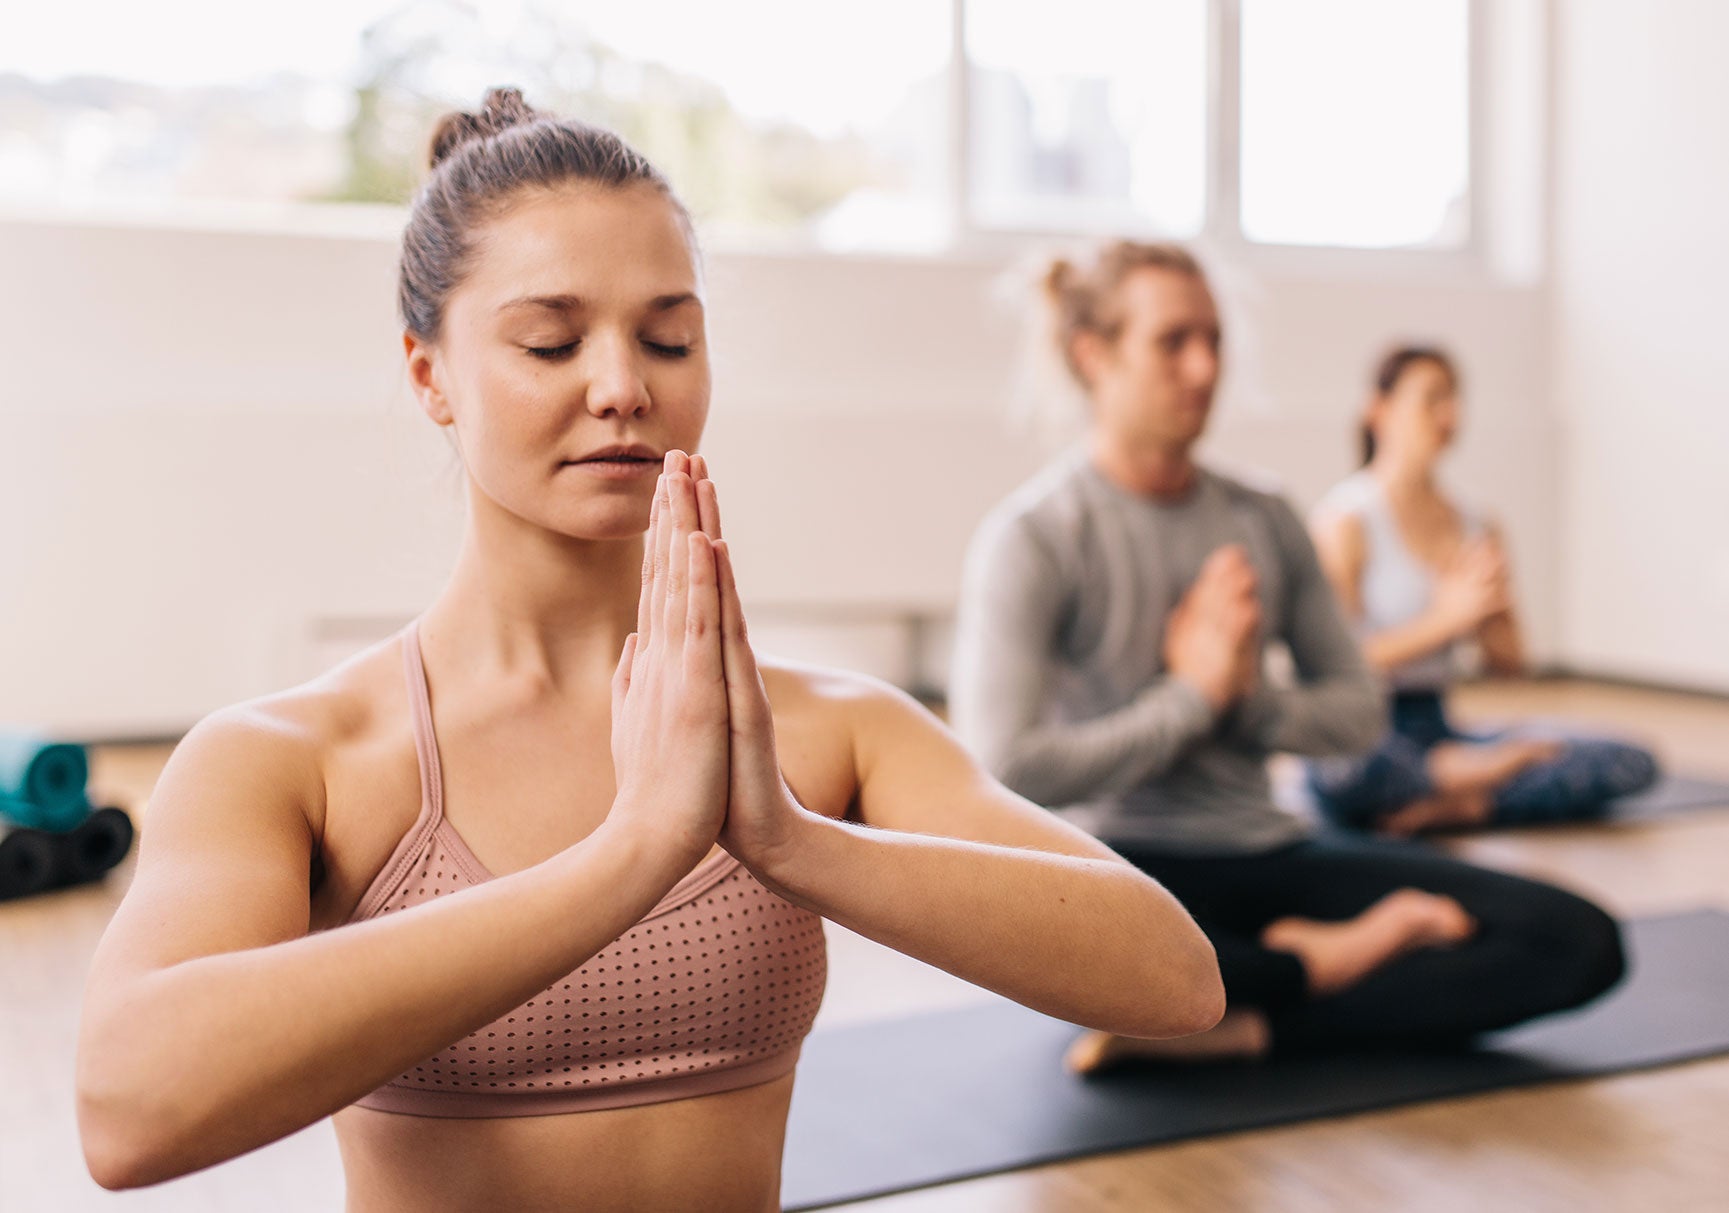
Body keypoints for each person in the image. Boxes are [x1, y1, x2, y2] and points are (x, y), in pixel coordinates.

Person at [74, 92, 1225, 1212]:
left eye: (668, 336)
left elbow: (1173, 979)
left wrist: (786, 838)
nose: (623, 387)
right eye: (551, 340)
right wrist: (629, 855)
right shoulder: (293, 761)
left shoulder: (827, 737)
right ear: (430, 373)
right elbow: (127, 1111)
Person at [950, 240, 1626, 1072]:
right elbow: (1002, 768)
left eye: (1214, 339)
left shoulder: (1262, 515)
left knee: (1576, 941)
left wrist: (1244, 701)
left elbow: (1355, 710)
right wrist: (1190, 698)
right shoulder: (1033, 537)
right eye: (1172, 342)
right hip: (1116, 869)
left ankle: (1264, 1010)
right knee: (1041, 938)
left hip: (1267, 847)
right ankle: (1314, 963)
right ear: (1094, 355)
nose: (1203, 367)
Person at [1304, 345, 1659, 836]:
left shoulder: (1476, 523)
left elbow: (1511, 665)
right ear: (1379, 410)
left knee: (1630, 761)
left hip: (1441, 727)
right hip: (1369, 730)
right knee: (1337, 768)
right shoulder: (1344, 522)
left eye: (1454, 399)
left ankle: (1455, 802)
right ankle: (1453, 779)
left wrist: (1490, 613)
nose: (1450, 415)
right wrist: (1446, 619)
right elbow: (1331, 670)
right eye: (1431, 398)